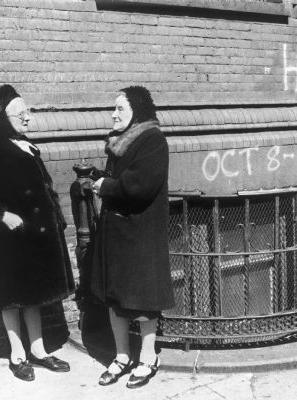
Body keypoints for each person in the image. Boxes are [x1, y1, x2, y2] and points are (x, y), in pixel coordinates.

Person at [0, 84, 75, 381]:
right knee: (11, 298)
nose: (28, 118)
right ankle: (17, 354)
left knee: (33, 295)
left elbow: (45, 190)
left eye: (28, 112)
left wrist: (56, 221)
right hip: (8, 241)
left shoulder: (27, 146)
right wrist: (0, 215)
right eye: (21, 113)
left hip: (36, 239)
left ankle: (39, 351)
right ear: (3, 118)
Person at [90, 86, 174, 389]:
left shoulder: (152, 140)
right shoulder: (120, 142)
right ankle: (122, 356)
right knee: (116, 300)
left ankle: (149, 358)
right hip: (116, 233)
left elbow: (140, 185)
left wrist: (105, 186)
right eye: (113, 109)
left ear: (136, 111)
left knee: (142, 302)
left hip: (140, 234)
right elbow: (122, 179)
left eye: (120, 109)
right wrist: (97, 176)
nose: (113, 114)